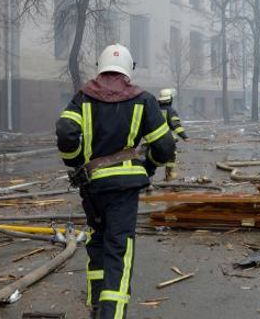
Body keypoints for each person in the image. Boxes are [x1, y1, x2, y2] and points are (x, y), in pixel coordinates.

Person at [56, 44, 175, 319]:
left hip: (92, 187)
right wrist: (150, 167)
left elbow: (65, 131)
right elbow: (166, 146)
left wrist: (74, 163)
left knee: (97, 242)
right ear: (128, 69)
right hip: (124, 190)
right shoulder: (142, 99)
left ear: (101, 65)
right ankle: (112, 314)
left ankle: (97, 308)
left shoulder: (83, 97)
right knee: (119, 250)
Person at [157, 88, 188, 181]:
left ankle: (147, 179)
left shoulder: (155, 109)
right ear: (170, 99)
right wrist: (184, 136)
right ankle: (169, 175)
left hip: (153, 138)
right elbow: (176, 125)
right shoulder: (170, 111)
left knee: (151, 158)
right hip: (167, 138)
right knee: (171, 156)